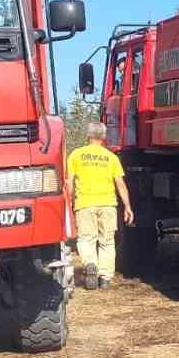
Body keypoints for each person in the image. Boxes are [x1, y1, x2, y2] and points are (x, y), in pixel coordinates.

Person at [66, 121, 135, 290]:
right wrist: (127, 207)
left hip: (85, 204)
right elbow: (120, 184)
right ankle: (105, 278)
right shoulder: (111, 157)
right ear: (104, 137)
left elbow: (69, 182)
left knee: (86, 239)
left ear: (88, 135)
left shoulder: (76, 155)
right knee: (107, 241)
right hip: (108, 204)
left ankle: (90, 263)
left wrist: (69, 202)